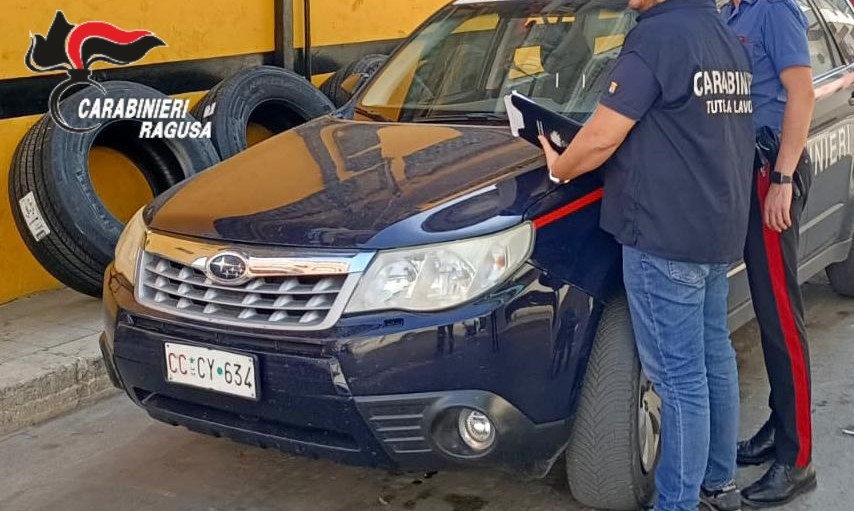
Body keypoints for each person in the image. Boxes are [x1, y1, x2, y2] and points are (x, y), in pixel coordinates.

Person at [539, 0, 755, 509]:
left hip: (664, 237)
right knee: (712, 360)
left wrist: (559, 165)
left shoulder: (655, 39)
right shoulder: (722, 35)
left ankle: (676, 503)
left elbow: (600, 139)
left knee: (678, 381)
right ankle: (719, 482)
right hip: (713, 230)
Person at [721, 0, 818, 507]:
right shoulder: (732, 12)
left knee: (781, 318)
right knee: (765, 312)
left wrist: (781, 179)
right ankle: (779, 427)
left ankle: (798, 459)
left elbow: (801, 94)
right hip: (745, 172)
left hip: (769, 173)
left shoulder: (775, 8)